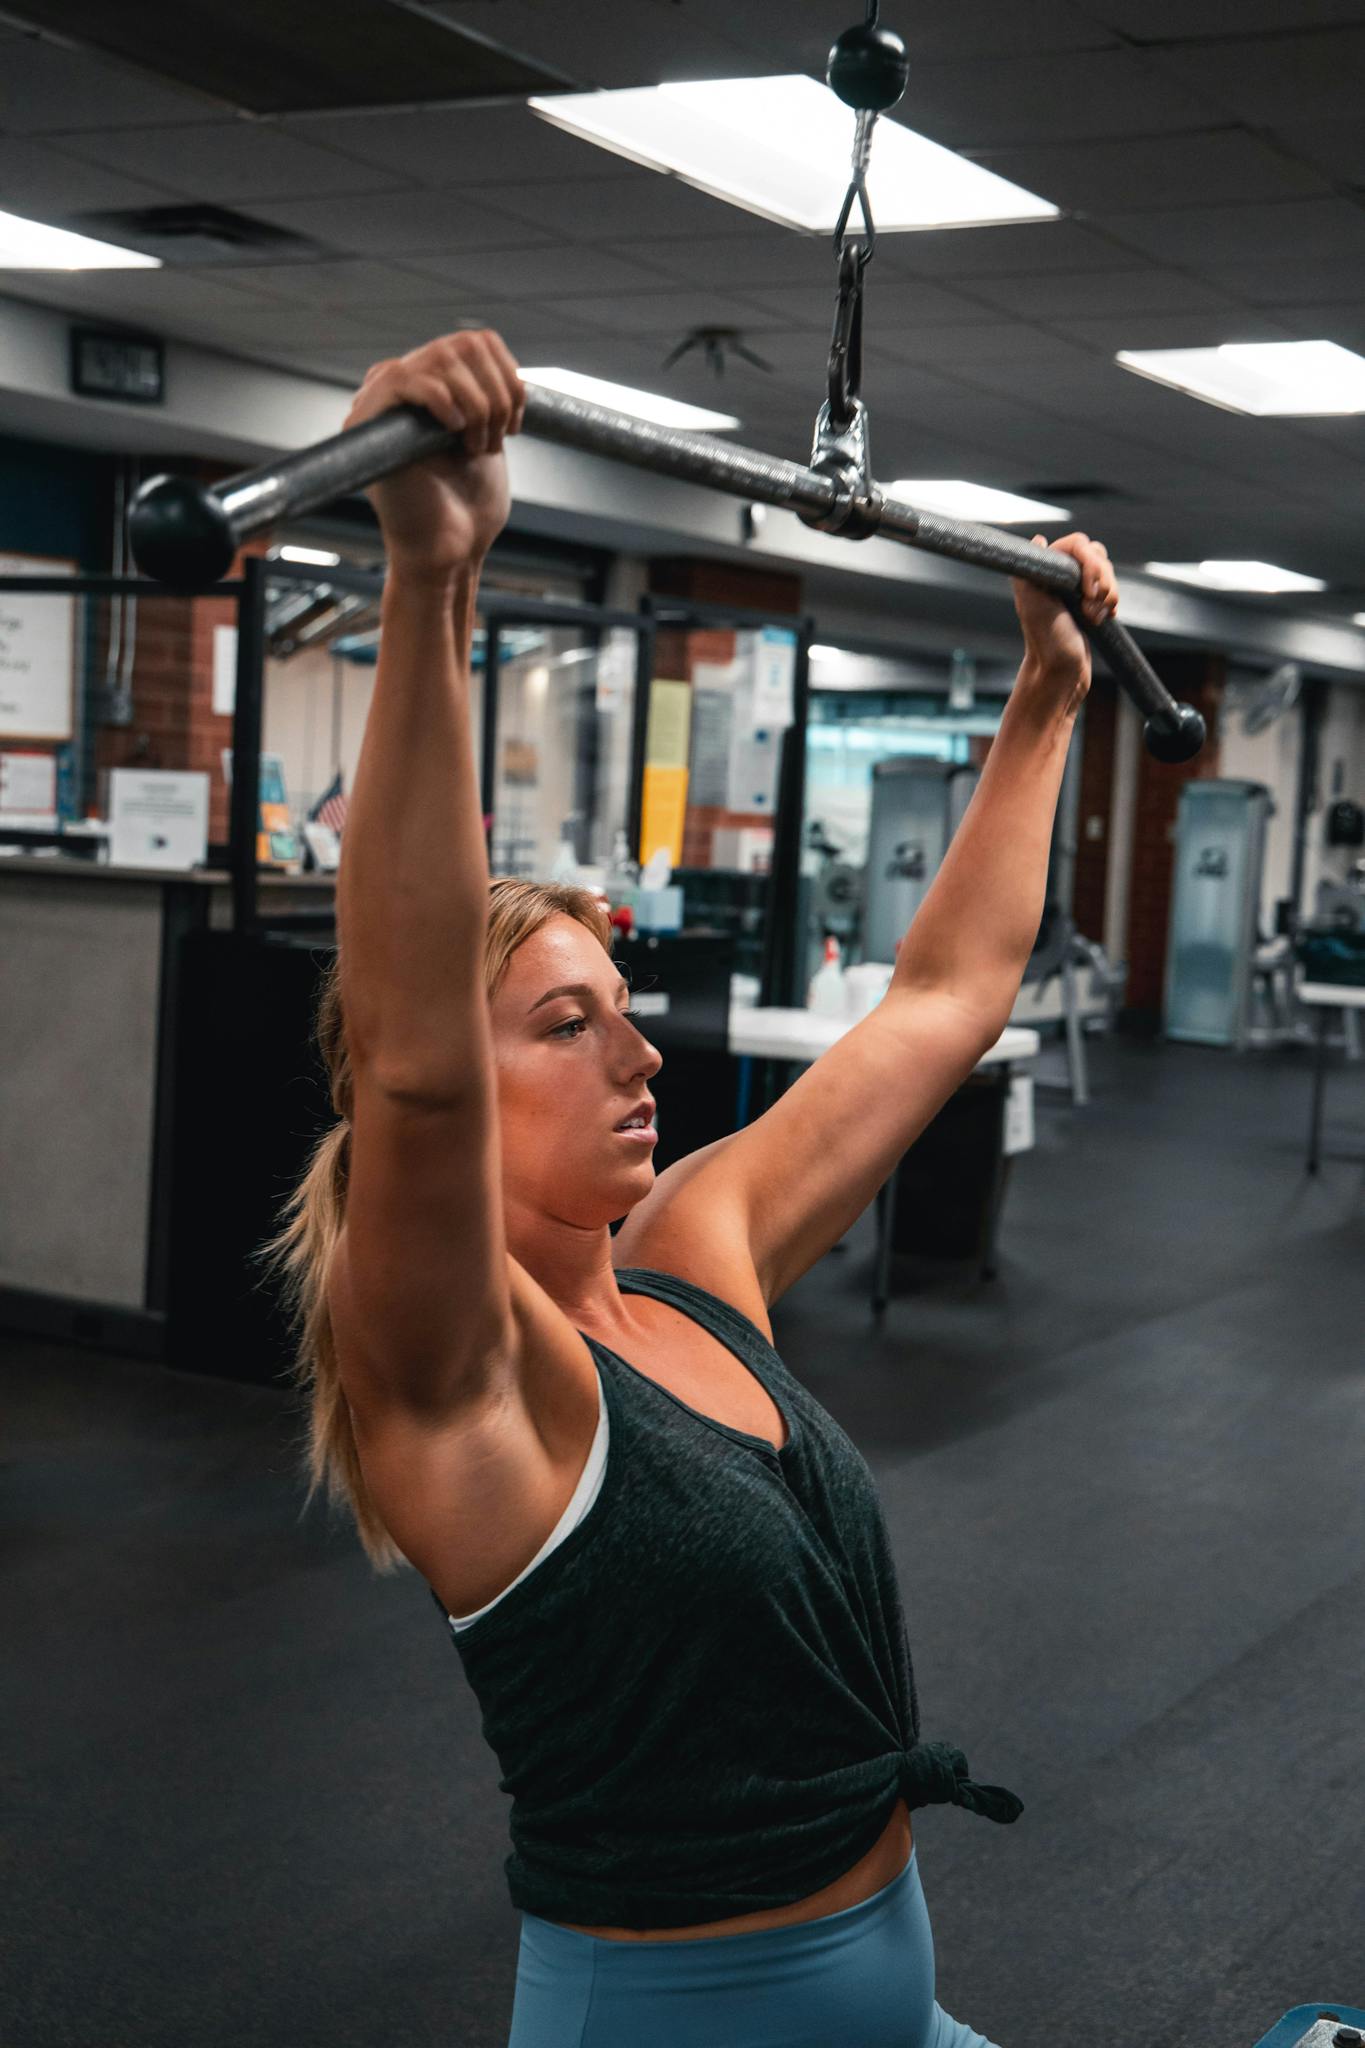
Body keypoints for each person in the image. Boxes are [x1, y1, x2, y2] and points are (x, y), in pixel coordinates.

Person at [262, 329, 1119, 2048]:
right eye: (569, 1028)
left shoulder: (687, 1265)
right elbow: (417, 1053)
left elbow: (945, 1000)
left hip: (891, 2001)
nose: (638, 1062)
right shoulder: (468, 1387)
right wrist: (433, 578)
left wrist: (1044, 701)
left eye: (625, 1016)